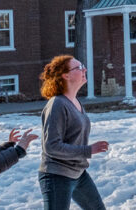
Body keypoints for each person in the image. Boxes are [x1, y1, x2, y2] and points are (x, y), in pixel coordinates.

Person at [38, 55, 109, 210]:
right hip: (57, 175)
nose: (85, 69)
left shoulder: (75, 102)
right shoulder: (57, 105)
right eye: (78, 67)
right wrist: (88, 150)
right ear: (66, 75)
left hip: (78, 173)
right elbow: (51, 146)